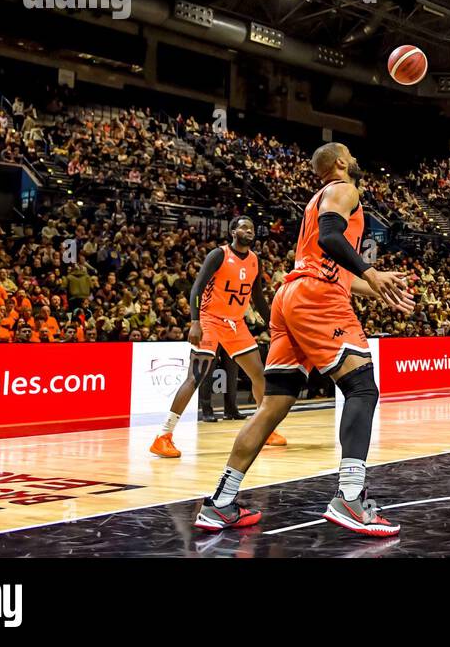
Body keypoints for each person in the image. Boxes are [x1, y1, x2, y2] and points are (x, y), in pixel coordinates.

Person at [196, 143, 413, 536]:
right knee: (362, 388)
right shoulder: (344, 189)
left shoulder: (319, 198)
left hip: (291, 296)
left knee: (271, 406)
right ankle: (350, 497)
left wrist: (375, 286)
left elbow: (330, 263)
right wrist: (370, 271)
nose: (356, 159)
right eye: (352, 154)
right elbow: (331, 239)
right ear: (342, 162)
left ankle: (220, 503)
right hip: (316, 297)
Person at [151, 216, 286, 459]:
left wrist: (273, 323)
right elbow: (197, 288)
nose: (249, 231)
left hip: (236, 323)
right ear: (233, 231)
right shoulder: (218, 255)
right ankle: (163, 436)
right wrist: (195, 322)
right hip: (210, 320)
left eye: (251, 228)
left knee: (259, 373)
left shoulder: (255, 260)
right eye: (243, 227)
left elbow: (257, 298)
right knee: (195, 377)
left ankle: (264, 429)